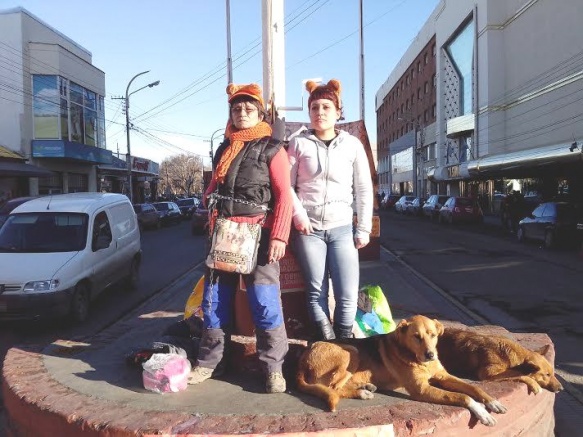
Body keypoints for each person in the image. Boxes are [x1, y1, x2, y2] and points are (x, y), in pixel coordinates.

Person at [188, 83, 293, 394]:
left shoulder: (273, 149)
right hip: (222, 236)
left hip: (259, 238)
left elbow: (284, 196)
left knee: (264, 303)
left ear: (260, 113)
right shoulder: (224, 148)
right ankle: (209, 363)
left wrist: (279, 237)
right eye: (237, 109)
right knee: (214, 301)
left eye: (249, 109)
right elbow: (215, 186)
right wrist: (206, 201)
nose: (242, 113)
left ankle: (273, 369)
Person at [287, 79, 373, 340]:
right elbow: (287, 187)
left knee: (348, 292)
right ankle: (327, 344)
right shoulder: (298, 144)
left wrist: (364, 228)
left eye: (326, 107)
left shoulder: (352, 145)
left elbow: (364, 189)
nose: (320, 112)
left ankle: (346, 346)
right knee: (316, 292)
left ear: (337, 112)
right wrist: (299, 215)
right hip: (309, 230)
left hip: (343, 229)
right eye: (314, 107)